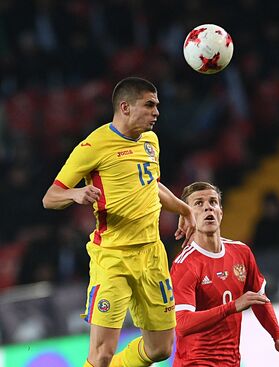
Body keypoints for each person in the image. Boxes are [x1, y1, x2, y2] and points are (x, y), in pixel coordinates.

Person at [42, 77, 196, 367]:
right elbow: (50, 197)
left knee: (161, 348)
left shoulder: (151, 141)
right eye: (149, 105)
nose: (156, 112)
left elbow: (152, 185)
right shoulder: (93, 146)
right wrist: (75, 194)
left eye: (157, 105)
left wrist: (185, 210)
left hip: (152, 256)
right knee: (101, 354)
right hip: (113, 258)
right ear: (125, 107)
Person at [170, 181, 279, 367]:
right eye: (198, 203)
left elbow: (259, 298)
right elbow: (182, 324)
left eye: (213, 202)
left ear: (221, 211)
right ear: (187, 215)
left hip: (231, 362)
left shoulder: (241, 252)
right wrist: (233, 306)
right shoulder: (185, 264)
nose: (208, 207)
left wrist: (278, 336)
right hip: (195, 363)